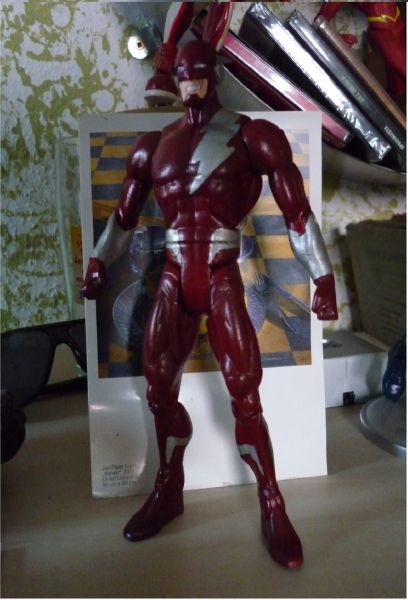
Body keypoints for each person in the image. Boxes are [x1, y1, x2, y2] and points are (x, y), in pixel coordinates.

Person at [82, 38, 337, 570]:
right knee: (158, 389)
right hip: (174, 273)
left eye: (196, 72)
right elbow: (124, 219)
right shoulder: (154, 145)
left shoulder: (252, 135)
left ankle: (272, 502)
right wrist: (100, 261)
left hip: (222, 271)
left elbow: (296, 213)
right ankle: (168, 486)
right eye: (181, 74)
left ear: (213, 74)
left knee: (245, 393)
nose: (189, 82)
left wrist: (322, 275)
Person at [314, 2, 406, 101]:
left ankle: (393, 99)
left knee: (396, 80)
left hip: (395, 21)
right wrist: (335, 38)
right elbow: (320, 21)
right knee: (401, 68)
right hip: (382, 28)